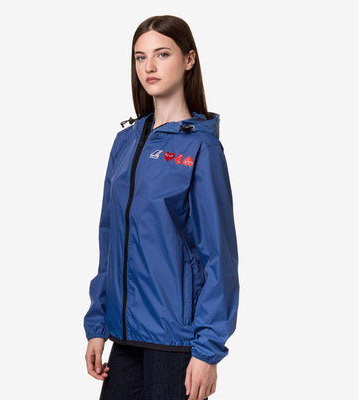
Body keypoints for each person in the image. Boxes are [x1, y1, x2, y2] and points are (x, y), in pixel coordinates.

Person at [83, 15, 239, 400]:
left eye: (162, 54)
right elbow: (109, 241)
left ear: (189, 59)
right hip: (124, 340)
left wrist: (207, 351)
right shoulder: (125, 142)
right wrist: (97, 325)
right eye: (140, 57)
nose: (149, 67)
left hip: (176, 344)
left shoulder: (201, 148)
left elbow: (218, 256)